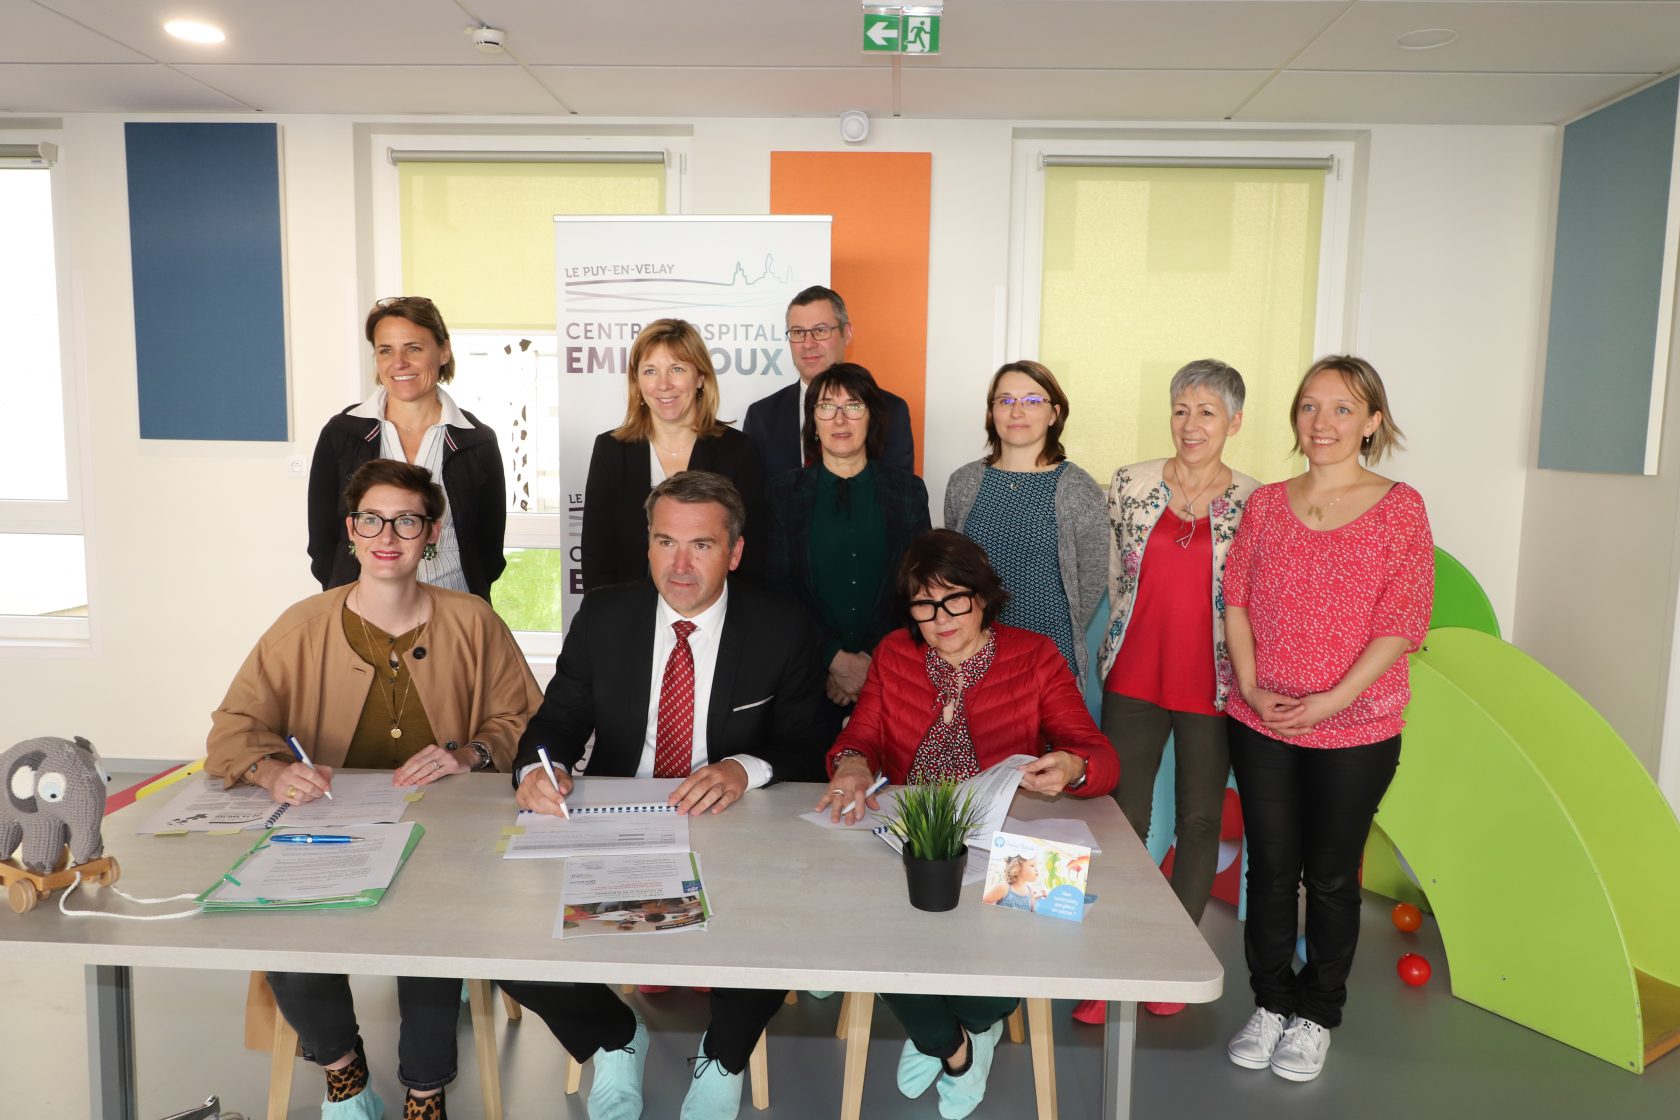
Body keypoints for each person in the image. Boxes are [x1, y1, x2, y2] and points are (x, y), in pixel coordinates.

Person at [207, 459, 542, 1120]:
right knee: (282, 921)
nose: (388, 534)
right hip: (327, 826)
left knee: (434, 924)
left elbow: (525, 720)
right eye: (371, 519)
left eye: (407, 520)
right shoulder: (300, 625)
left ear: (433, 533)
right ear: (351, 531)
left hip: (445, 836)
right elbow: (233, 728)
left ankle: (426, 1090)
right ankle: (343, 1074)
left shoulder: (474, 622)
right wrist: (273, 770)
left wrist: (473, 752)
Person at [500, 470, 831, 1120]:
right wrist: (538, 769)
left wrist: (743, 768)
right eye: (664, 543)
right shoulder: (606, 614)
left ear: (734, 552)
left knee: (782, 921)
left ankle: (725, 1056)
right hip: (623, 818)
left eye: (701, 546)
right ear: (647, 546)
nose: (680, 565)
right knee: (504, 939)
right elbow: (557, 722)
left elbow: (811, 743)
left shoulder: (782, 626)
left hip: (733, 822)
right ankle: (615, 1039)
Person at [819, 529, 1118, 1120]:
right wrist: (851, 763)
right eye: (924, 606)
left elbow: (1098, 754)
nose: (940, 618)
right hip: (912, 837)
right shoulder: (896, 654)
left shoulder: (1034, 656)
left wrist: (1073, 766)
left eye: (954, 599)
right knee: (866, 929)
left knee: (1036, 917)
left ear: (983, 597)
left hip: (1000, 837)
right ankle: (954, 1044)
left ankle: (966, 1025)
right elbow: (862, 738)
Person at [1220, 356, 1433, 1084]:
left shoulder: (1400, 507)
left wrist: (1333, 700)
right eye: (1311, 406)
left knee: (1333, 877)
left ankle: (1317, 1015)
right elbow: (1237, 599)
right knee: (1272, 870)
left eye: (1343, 409)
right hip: (1262, 721)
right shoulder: (1267, 504)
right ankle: (1271, 1002)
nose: (1323, 422)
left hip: (1358, 726)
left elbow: (1403, 621)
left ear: (1373, 422)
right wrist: (1249, 683)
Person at [1083, 359, 1261, 1023]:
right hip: (1134, 671)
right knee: (1123, 820)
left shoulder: (1255, 499)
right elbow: (1110, 574)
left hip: (1215, 681)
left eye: (1207, 412)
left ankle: (1169, 962)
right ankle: (1108, 964)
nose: (1192, 424)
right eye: (1182, 409)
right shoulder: (1128, 483)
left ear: (1234, 423)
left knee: (1198, 820)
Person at [765, 362, 931, 739]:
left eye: (853, 406)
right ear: (813, 421)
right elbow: (778, 590)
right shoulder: (781, 494)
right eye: (826, 406)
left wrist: (870, 662)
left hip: (892, 672)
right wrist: (833, 659)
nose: (840, 418)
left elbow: (917, 586)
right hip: (807, 677)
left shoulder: (907, 492)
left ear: (872, 417)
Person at [308, 296, 507, 602]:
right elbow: (322, 543)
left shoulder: (477, 442)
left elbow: (489, 551)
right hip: (360, 610)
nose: (398, 363)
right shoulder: (342, 433)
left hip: (451, 607)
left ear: (443, 351)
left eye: (413, 348)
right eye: (386, 350)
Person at [944, 360, 1106, 683]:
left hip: (1049, 660)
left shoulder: (1078, 488)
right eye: (1005, 401)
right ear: (992, 413)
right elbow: (951, 571)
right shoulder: (963, 484)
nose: (1017, 412)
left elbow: (1091, 579)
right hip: (972, 657)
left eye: (1032, 401)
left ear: (1054, 414)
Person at [582, 318, 764, 591]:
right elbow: (596, 555)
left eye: (676, 369)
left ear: (700, 377)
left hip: (714, 619)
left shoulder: (738, 451)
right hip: (629, 618)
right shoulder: (611, 450)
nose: (663, 384)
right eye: (650, 371)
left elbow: (750, 556)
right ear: (637, 382)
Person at [743, 285, 914, 479]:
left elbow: (899, 496)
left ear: (847, 333)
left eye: (820, 330)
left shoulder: (889, 410)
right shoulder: (762, 416)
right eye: (798, 332)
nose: (808, 344)